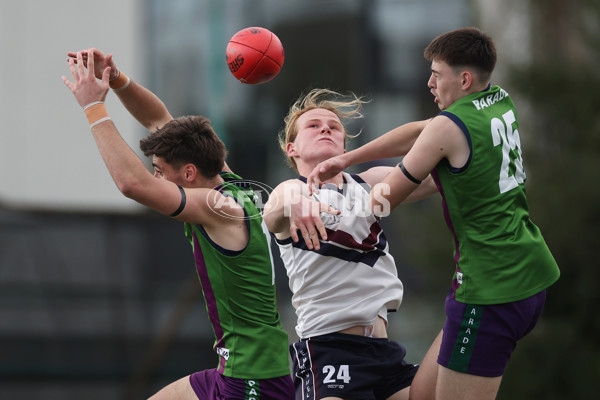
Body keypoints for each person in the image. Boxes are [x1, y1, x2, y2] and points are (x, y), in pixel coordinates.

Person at [307, 27, 561, 400]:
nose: (429, 83)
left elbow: (384, 201)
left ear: (464, 78)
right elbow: (421, 133)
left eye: (436, 74)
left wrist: (336, 195)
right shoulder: (497, 100)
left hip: (489, 290)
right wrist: (349, 157)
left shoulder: (448, 128)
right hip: (530, 275)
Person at [62, 49, 294, 400]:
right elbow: (156, 116)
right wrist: (116, 78)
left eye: (160, 170)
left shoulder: (219, 206)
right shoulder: (229, 183)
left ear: (189, 173)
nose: (156, 176)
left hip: (254, 378)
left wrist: (93, 106)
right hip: (236, 368)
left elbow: (133, 184)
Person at [262, 88, 438, 400]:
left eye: (334, 126)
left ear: (344, 145)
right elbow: (274, 209)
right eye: (313, 126)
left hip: (383, 350)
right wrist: (295, 202)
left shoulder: (370, 186)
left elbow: (431, 174)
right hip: (330, 350)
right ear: (292, 149)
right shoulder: (292, 189)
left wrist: (458, 126)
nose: (326, 128)